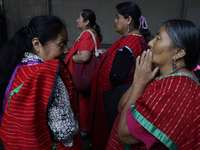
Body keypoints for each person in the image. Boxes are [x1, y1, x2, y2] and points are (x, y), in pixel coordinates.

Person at [106, 19, 200, 150]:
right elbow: (122, 107)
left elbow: (124, 133)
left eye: (158, 38)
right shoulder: (165, 78)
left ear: (178, 52)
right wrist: (139, 81)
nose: (150, 43)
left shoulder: (175, 88)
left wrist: (139, 84)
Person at [0, 15, 83, 150]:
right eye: (61, 45)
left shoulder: (19, 68)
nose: (66, 51)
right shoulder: (49, 76)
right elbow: (64, 131)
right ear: (37, 44)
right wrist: (76, 122)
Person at [89, 2, 153, 150]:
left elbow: (116, 75)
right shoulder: (132, 40)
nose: (115, 20)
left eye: (118, 17)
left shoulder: (131, 42)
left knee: (107, 133)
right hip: (111, 97)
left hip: (112, 99)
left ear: (128, 20)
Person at [65, 9, 102, 138]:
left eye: (79, 18)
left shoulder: (86, 34)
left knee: (83, 102)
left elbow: (84, 57)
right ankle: (86, 128)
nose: (77, 20)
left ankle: (84, 130)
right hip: (86, 76)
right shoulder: (90, 34)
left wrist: (69, 57)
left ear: (86, 22)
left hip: (82, 77)